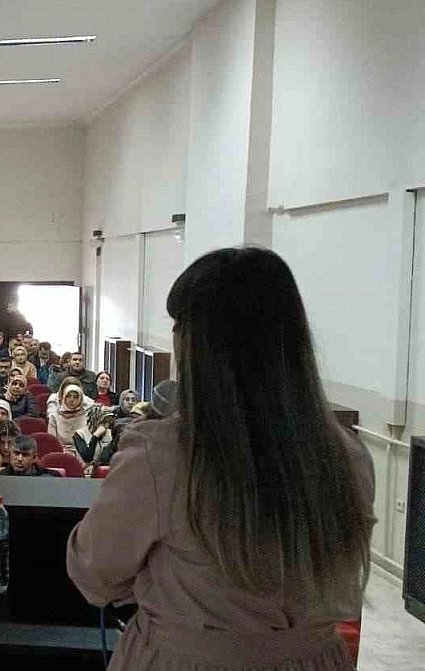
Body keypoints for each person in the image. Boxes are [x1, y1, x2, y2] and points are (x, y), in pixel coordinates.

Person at [68, 248, 376, 671]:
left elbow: (94, 572)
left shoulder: (163, 454)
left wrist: (161, 584)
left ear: (195, 346)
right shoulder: (348, 456)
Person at [47, 377, 93, 457]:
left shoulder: (88, 415)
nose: (71, 400)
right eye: (68, 396)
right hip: (61, 454)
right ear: (63, 397)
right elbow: (52, 442)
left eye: (75, 397)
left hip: (83, 454)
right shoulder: (54, 416)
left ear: (80, 398)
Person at [74, 405, 118, 476]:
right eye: (104, 422)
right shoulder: (80, 434)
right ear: (95, 420)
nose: (107, 426)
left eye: (109, 422)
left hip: (104, 469)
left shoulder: (110, 433)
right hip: (84, 471)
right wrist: (95, 437)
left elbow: (112, 456)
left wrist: (95, 466)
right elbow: (87, 458)